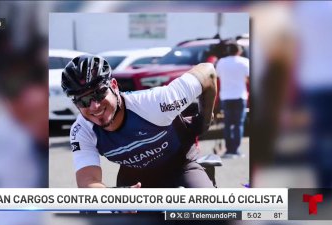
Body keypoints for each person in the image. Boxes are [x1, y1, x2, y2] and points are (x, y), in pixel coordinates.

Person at [62, 55, 217, 188]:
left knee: (214, 213)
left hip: (181, 166)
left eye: (99, 93)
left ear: (114, 86)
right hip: (135, 179)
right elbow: (88, 181)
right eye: (83, 100)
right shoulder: (82, 130)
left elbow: (208, 71)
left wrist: (205, 119)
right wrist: (114, 198)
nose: (94, 106)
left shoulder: (157, 103)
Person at [215, 43, 249, 158]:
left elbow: (217, 76)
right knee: (239, 124)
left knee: (228, 124)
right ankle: (235, 150)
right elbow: (249, 77)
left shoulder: (221, 62)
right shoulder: (244, 62)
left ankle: (229, 149)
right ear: (239, 51)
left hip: (226, 96)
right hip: (240, 96)